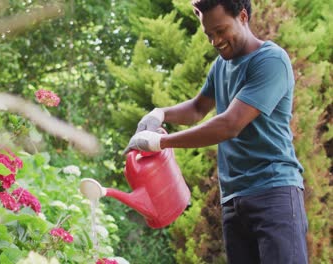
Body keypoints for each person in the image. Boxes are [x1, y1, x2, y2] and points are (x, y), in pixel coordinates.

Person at [124, 0, 309, 263]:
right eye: (209, 34)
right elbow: (198, 108)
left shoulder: (270, 60)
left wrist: (159, 142)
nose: (215, 41)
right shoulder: (222, 66)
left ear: (243, 16)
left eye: (220, 30)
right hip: (234, 199)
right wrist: (160, 113)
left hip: (274, 193)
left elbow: (229, 125)